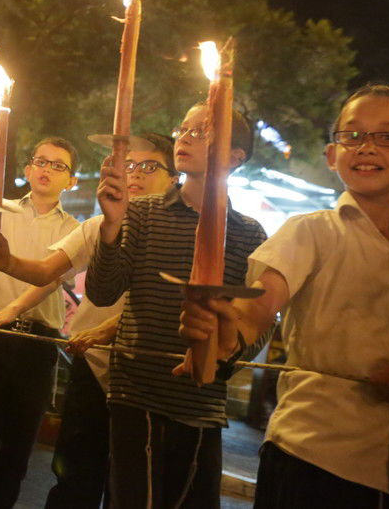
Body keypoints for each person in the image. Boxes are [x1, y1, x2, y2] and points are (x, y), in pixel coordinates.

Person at [179, 84, 389, 508]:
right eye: (352, 135)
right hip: (314, 459)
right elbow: (260, 303)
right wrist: (226, 332)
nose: (366, 147)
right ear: (332, 155)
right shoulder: (309, 230)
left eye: (388, 136)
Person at [0, 132, 178, 509]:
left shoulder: (179, 233)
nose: (134, 174)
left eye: (149, 166)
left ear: (174, 177)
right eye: (128, 165)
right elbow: (45, 272)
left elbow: (170, 307)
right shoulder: (97, 226)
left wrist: (112, 329)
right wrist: (6, 261)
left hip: (146, 377)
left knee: (130, 488)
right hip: (92, 368)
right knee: (73, 482)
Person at [87, 105, 267, 508]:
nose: (185, 137)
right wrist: (112, 225)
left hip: (202, 403)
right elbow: (102, 292)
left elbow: (256, 322)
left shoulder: (249, 234)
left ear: (236, 156)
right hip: (136, 391)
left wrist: (226, 350)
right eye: (183, 128)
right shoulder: (144, 213)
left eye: (203, 131)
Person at [0, 137, 80, 508]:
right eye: (40, 161)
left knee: (16, 446)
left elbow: (52, 278)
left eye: (58, 165)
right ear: (27, 170)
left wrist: (11, 310)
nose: (46, 169)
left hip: (37, 345)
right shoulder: (0, 212)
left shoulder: (76, 228)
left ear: (70, 180)